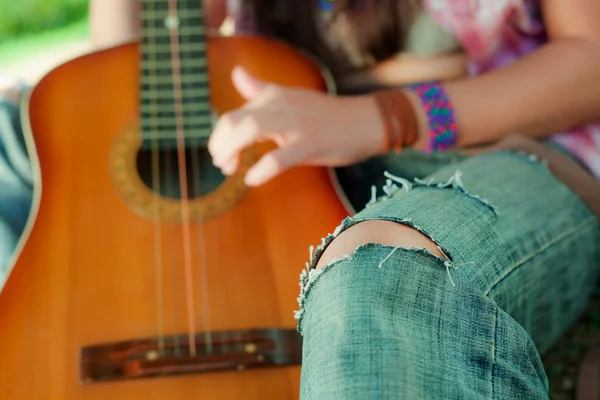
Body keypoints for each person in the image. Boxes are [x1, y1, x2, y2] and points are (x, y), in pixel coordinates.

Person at [1, 0, 599, 398]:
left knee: (382, 271)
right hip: (282, 143)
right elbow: (133, 64)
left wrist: (385, 117)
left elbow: (591, 62)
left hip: (494, 146)